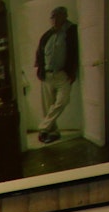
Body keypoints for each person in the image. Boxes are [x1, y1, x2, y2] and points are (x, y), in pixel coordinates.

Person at [32, 6, 79, 144]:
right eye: (51, 17)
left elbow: (75, 52)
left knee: (62, 101)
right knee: (48, 106)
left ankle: (43, 128)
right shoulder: (47, 35)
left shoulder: (71, 31)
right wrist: (39, 70)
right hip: (47, 75)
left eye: (55, 16)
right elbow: (39, 52)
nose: (53, 19)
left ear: (64, 16)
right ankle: (53, 132)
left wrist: (73, 72)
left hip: (62, 75)